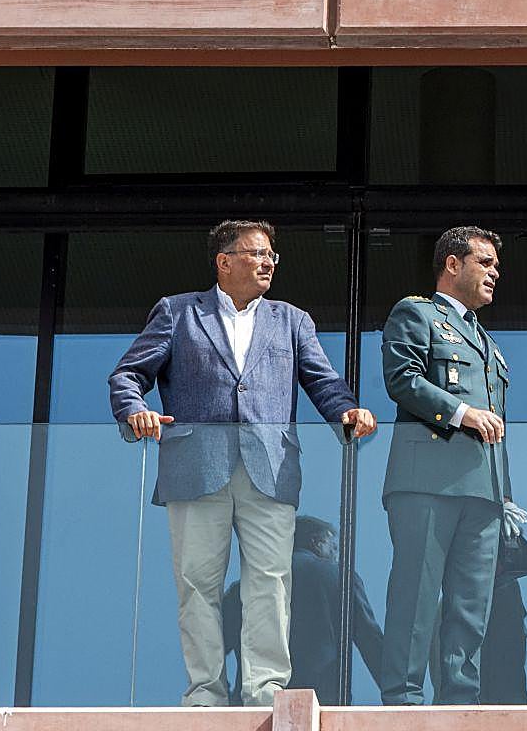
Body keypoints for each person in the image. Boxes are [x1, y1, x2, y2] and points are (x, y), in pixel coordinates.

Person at [108, 220, 376, 708]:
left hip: (270, 469)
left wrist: (346, 410)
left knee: (271, 583)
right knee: (198, 586)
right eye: (256, 253)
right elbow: (127, 374)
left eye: (272, 254)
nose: (267, 262)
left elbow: (322, 380)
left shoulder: (291, 319)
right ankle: (205, 693)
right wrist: (135, 411)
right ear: (224, 261)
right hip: (195, 466)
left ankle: (264, 689)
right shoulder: (178, 311)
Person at [377, 225, 520, 705]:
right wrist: (462, 413)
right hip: (427, 482)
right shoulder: (416, 313)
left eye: (496, 265)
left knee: (472, 605)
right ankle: (403, 699)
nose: (495, 273)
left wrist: (505, 494)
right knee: (416, 596)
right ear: (452, 264)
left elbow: (496, 427)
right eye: (485, 262)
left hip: (483, 491)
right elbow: (402, 380)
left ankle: (460, 703)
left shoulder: (487, 341)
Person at [222, 516, 388, 702]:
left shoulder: (247, 586)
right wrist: (398, 698)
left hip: (257, 710)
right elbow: (370, 641)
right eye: (332, 545)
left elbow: (216, 645)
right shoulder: (341, 579)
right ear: (316, 542)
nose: (336, 553)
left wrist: (222, 700)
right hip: (324, 704)